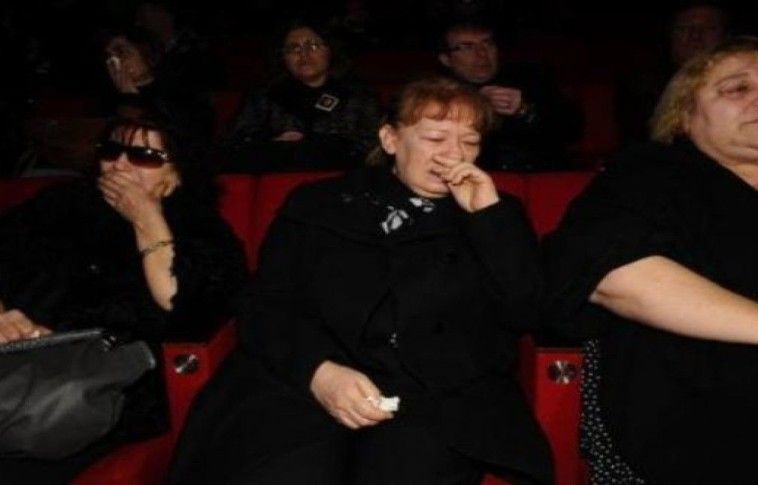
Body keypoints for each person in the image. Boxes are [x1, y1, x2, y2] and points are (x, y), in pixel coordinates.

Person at [170, 77, 552, 484]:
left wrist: (488, 219)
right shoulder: (318, 202)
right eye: (435, 138)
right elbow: (264, 305)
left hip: (435, 397)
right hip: (309, 379)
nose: (455, 154)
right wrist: (319, 373)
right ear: (390, 139)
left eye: (470, 142)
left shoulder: (495, 211)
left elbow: (528, 311)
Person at [545, 36, 758, 483]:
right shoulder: (646, 175)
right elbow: (616, 276)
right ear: (683, 115)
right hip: (693, 424)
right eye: (738, 88)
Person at [0, 113, 247, 484]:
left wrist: (146, 218)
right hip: (18, 361)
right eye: (111, 150)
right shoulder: (58, 205)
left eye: (143, 156)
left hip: (108, 387)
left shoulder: (200, 229)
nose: (119, 164)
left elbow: (180, 300)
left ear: (178, 173)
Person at [220, 18, 382, 171]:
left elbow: (374, 149)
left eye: (313, 46)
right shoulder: (264, 97)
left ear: (330, 50)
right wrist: (274, 143)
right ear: (282, 56)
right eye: (293, 48)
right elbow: (235, 144)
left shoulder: (358, 96)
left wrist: (320, 144)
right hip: (280, 176)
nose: (303, 54)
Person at [437, 20, 582, 171]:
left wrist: (524, 110)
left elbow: (571, 131)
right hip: (474, 176)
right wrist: (474, 105)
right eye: (467, 47)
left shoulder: (533, 78)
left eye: (487, 43)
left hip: (543, 174)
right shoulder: (437, 93)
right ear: (446, 59)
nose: (482, 54)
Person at [615, 3, 729, 144]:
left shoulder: (745, 83)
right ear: (670, 36)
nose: (695, 36)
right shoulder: (644, 86)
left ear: (725, 36)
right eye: (684, 28)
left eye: (708, 28)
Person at [102, 27, 215, 140]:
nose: (115, 61)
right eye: (109, 56)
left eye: (122, 52)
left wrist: (131, 97)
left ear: (148, 55)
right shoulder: (110, 98)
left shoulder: (180, 91)